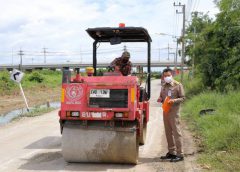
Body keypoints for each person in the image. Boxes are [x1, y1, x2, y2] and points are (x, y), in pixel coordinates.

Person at [157, 68, 185, 162]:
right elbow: (162, 96)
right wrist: (160, 98)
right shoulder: (163, 86)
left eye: (168, 75)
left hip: (174, 113)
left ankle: (180, 154)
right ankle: (171, 152)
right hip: (166, 112)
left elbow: (183, 98)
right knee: (168, 133)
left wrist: (174, 100)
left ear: (172, 75)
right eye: (165, 76)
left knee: (176, 133)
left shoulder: (178, 85)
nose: (166, 77)